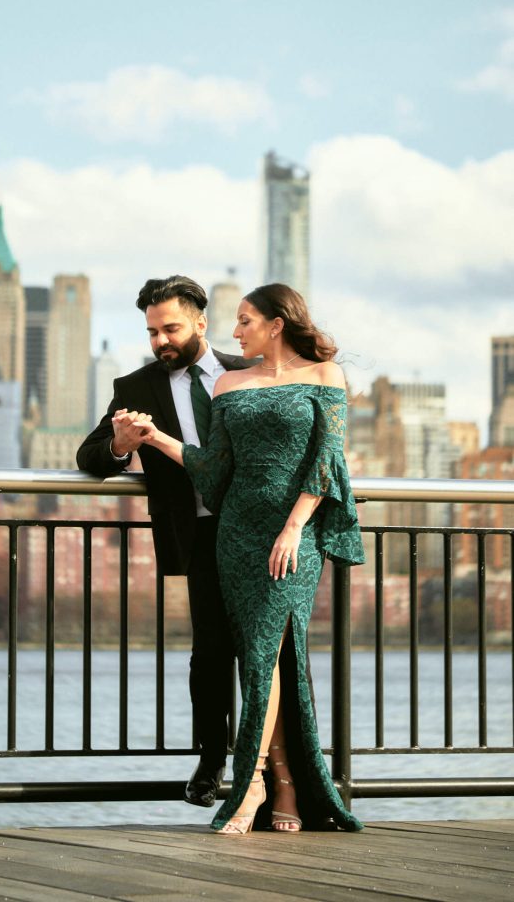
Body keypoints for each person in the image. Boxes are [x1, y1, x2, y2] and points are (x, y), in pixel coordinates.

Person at [123, 283, 365, 834]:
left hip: (292, 538)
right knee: (269, 661)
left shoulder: (326, 377)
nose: (235, 332)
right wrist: (155, 437)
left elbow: (328, 463)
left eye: (245, 321)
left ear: (277, 324)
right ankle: (281, 786)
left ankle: (250, 783)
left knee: (262, 659)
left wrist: (294, 528)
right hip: (236, 536)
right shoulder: (231, 383)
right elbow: (213, 470)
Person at [76, 275, 250, 808]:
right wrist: (120, 445)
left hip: (257, 530)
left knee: (266, 651)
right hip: (196, 532)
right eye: (152, 332)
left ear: (201, 320)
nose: (161, 342)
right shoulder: (136, 387)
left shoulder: (249, 372)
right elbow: (90, 457)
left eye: (170, 328)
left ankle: (268, 765)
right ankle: (213, 759)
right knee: (211, 651)